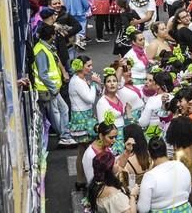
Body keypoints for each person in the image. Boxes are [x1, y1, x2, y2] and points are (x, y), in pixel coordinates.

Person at [32, 23, 76, 147]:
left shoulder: (44, 47)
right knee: (58, 112)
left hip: (51, 88)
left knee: (62, 110)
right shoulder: (41, 50)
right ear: (52, 36)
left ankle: (65, 134)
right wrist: (53, 88)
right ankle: (64, 136)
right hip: (48, 89)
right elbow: (43, 73)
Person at [68, 56, 102, 190]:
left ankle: (81, 180)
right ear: (81, 66)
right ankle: (84, 179)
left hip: (86, 116)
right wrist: (93, 83)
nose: (91, 68)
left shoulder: (80, 80)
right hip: (82, 117)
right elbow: (90, 99)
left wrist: (95, 84)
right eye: (88, 66)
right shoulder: (77, 81)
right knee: (85, 150)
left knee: (83, 150)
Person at [137, 137, 192, 213]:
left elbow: (143, 209)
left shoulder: (150, 176)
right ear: (165, 150)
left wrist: (133, 197)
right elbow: (189, 191)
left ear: (149, 154)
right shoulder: (181, 166)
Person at [96, 68, 132, 155]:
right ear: (105, 85)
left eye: (114, 81)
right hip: (113, 137)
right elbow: (102, 126)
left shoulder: (117, 96)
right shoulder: (102, 102)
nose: (112, 83)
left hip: (123, 133)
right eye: (108, 81)